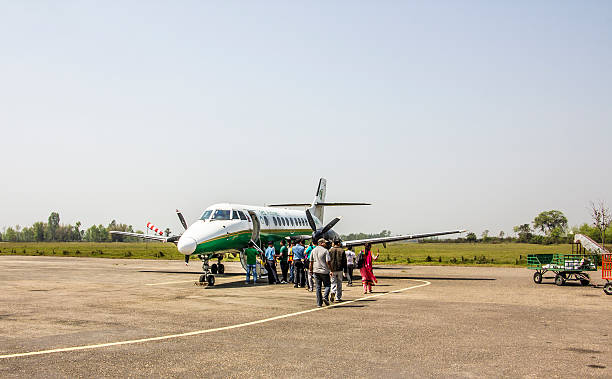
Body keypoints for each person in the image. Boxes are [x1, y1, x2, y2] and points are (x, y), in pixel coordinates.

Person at [310, 238, 332, 307]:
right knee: (327, 285)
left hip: (316, 271)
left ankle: (319, 303)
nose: (326, 244)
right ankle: (325, 297)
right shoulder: (325, 251)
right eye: (325, 243)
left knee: (318, 287)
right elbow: (328, 262)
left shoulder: (313, 250)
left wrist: (311, 270)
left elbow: (311, 262)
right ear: (321, 243)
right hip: (324, 271)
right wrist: (331, 270)